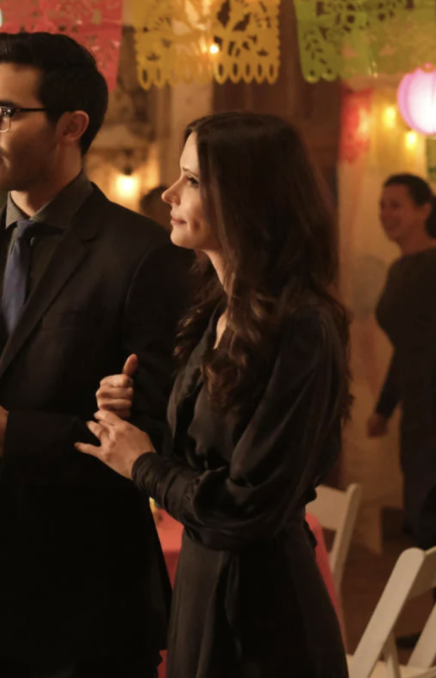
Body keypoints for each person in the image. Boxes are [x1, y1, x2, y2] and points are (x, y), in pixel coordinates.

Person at [0, 31, 192, 678]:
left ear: (70, 126)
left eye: (4, 113)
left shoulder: (144, 256)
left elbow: (161, 436)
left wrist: (13, 435)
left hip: (88, 606)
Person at [78, 112, 349, 677]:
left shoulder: (303, 325)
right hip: (204, 587)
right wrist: (135, 422)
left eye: (194, 180)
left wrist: (142, 464)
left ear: (248, 198)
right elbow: (201, 462)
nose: (169, 193)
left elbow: (246, 506)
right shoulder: (215, 312)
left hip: (265, 615)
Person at [367, 174, 436, 549]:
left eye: (396, 205)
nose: (385, 214)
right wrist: (384, 408)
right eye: (382, 206)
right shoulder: (399, 270)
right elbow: (408, 347)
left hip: (430, 413)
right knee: (422, 521)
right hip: (417, 413)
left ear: (424, 210)